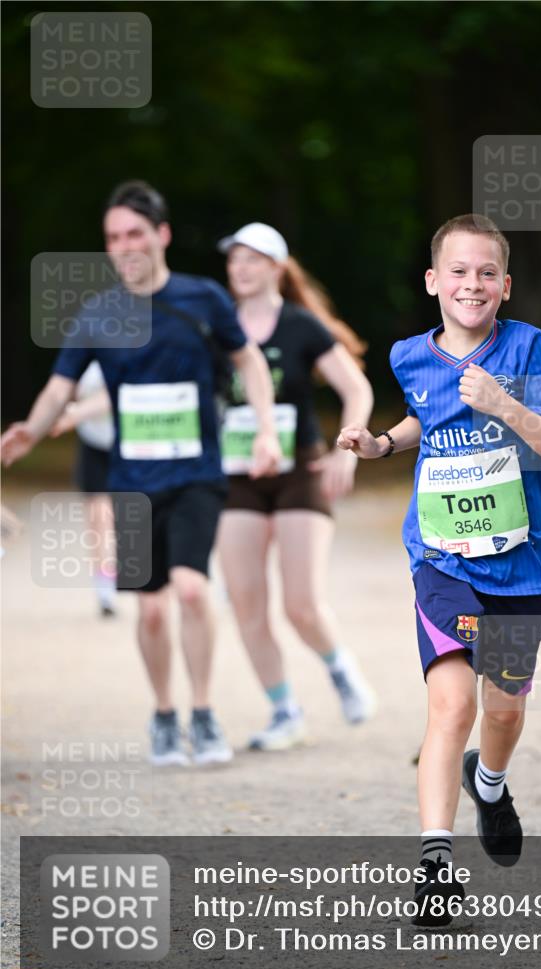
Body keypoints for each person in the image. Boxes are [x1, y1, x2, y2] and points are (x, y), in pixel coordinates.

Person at [337, 214, 541, 925]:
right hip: (442, 559)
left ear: (502, 286)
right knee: (451, 705)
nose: (469, 284)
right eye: (457, 271)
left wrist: (503, 404)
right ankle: (435, 870)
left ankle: (493, 782)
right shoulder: (409, 355)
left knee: (502, 709)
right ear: (432, 281)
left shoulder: (529, 349)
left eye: (484, 273)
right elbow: (425, 417)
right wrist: (381, 444)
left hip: (522, 565)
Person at [1, 181, 281, 766]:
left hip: (197, 475)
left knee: (192, 587)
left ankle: (203, 715)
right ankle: (163, 714)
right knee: (150, 608)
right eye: (113, 237)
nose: (124, 246)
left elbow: (247, 359)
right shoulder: (99, 314)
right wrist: (31, 427)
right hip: (132, 481)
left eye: (134, 233)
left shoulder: (202, 298)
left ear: (162, 234)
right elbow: (61, 385)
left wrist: (262, 429)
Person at [216, 223, 376, 750]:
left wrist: (344, 451)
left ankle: (339, 668)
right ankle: (284, 710)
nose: (240, 268)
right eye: (234, 259)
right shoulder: (216, 326)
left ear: (277, 268)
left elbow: (356, 388)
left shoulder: (301, 325)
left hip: (298, 473)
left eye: (252, 259)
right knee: (245, 602)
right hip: (238, 475)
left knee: (300, 605)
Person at [50, 361, 117, 616]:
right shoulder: (83, 353)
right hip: (93, 444)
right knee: (98, 517)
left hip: (129, 445)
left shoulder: (135, 348)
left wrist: (77, 413)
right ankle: (104, 587)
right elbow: (64, 389)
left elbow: (117, 391)